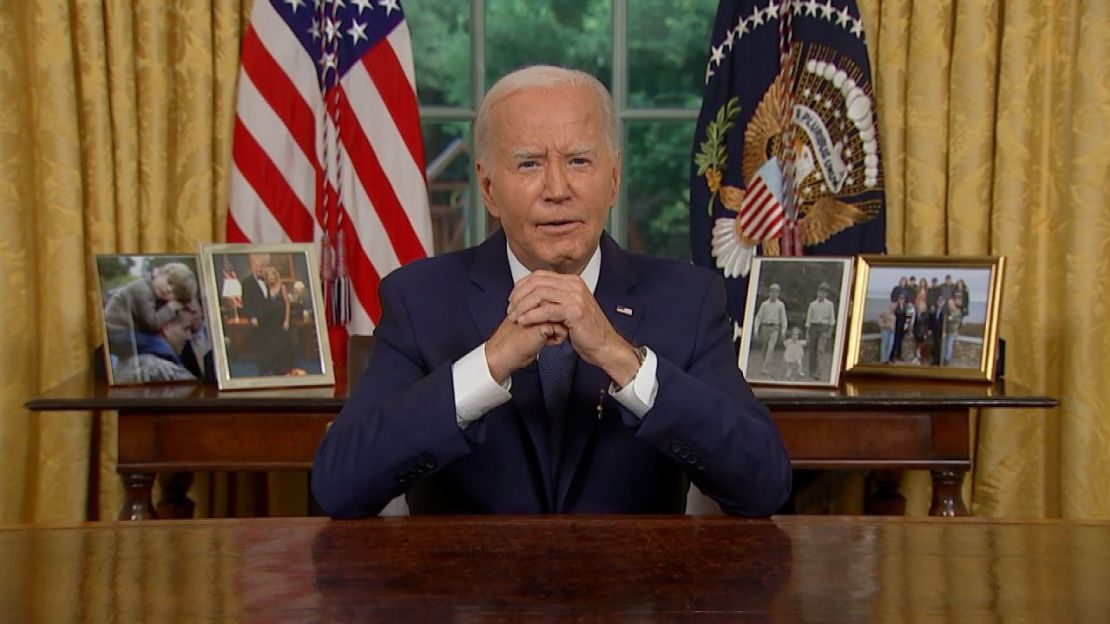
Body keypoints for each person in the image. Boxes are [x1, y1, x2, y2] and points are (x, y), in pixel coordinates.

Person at [311, 65, 791, 517]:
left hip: (634, 596)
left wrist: (620, 357)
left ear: (614, 178)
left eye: (579, 161)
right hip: (466, 597)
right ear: (488, 187)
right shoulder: (419, 300)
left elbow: (763, 484)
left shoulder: (688, 300)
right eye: (529, 164)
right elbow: (340, 487)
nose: (557, 188)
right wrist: (487, 365)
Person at [103, 262, 199, 359]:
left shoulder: (153, 292)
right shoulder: (141, 289)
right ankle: (175, 369)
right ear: (161, 273)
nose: (169, 289)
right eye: (169, 282)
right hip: (115, 331)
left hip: (126, 333)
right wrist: (171, 307)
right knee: (158, 345)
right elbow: (152, 323)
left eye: (175, 292)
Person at [252, 265, 297, 375]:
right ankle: (274, 366)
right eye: (268, 276)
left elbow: (287, 304)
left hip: (282, 319)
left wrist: (286, 321)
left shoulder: (282, 287)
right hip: (272, 320)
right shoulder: (267, 288)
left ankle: (285, 367)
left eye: (272, 275)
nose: (271, 277)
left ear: (276, 276)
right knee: (272, 343)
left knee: (283, 343)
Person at [753, 284, 788, 375]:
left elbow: (783, 318)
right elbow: (759, 317)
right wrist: (756, 329)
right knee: (765, 348)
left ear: (778, 294)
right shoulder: (764, 304)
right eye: (772, 292)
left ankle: (765, 368)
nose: (774, 294)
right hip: (765, 327)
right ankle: (766, 363)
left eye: (776, 292)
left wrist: (783, 330)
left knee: (771, 347)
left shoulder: (780, 305)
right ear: (769, 293)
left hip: (775, 328)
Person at [804, 283, 835, 380]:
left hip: (824, 329)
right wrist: (807, 333)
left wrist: (830, 331)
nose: (821, 294)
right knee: (812, 351)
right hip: (814, 328)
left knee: (820, 350)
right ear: (817, 293)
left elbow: (831, 320)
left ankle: (818, 373)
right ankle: (811, 371)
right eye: (820, 292)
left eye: (824, 293)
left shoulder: (830, 305)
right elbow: (809, 320)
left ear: (826, 294)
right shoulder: (812, 305)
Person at [942, 297, 963, 365]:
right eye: (949, 304)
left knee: (949, 345)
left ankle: (947, 359)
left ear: (953, 303)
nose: (950, 305)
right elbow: (946, 320)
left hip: (953, 331)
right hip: (947, 330)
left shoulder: (958, 311)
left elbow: (957, 320)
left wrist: (951, 318)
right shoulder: (948, 311)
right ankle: (944, 358)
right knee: (945, 345)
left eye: (951, 303)